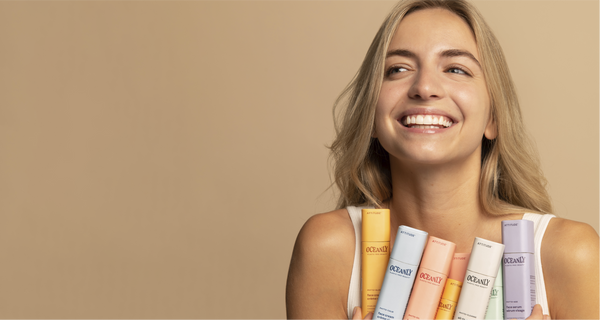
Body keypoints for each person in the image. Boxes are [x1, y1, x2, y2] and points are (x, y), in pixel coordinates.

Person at [285, 0, 600, 320]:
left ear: (493, 118)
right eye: (398, 69)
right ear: (372, 117)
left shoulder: (570, 253)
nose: (424, 87)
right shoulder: (328, 248)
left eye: (456, 69)